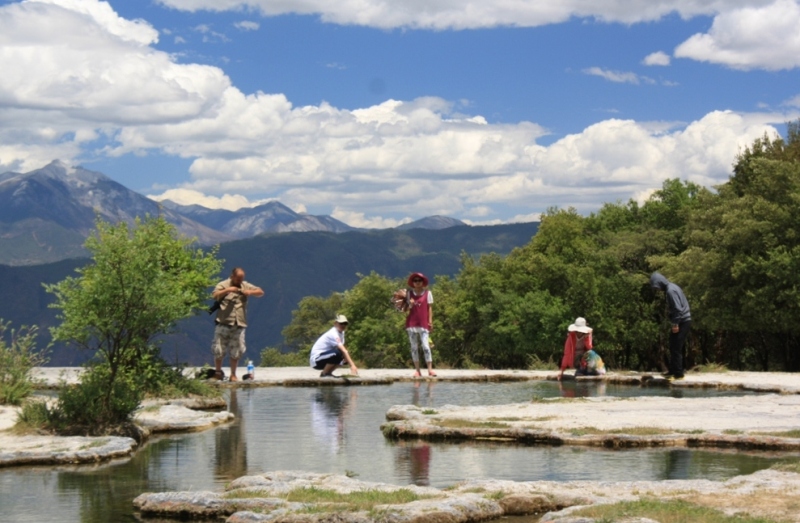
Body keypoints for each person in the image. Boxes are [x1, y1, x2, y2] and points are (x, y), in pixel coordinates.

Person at [211, 267, 264, 381]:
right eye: (238, 279)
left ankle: (233, 374)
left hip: (239, 323)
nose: (240, 281)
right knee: (218, 349)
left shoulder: (245, 285)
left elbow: (260, 292)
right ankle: (218, 372)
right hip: (223, 322)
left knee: (237, 350)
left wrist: (250, 292)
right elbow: (215, 295)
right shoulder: (223, 284)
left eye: (241, 279)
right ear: (232, 276)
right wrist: (228, 290)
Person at [650, 272, 691, 381]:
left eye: (656, 286)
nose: (657, 289)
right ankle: (673, 370)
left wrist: (675, 323)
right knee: (673, 345)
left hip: (682, 321)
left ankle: (678, 374)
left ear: (660, 283)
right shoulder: (673, 286)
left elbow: (677, 308)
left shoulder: (670, 291)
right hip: (682, 320)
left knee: (676, 347)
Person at [405, 272, 436, 378]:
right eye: (415, 281)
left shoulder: (428, 293)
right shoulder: (409, 294)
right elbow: (406, 309)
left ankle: (430, 370)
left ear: (423, 282)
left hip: (423, 323)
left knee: (426, 346)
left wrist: (430, 321)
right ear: (413, 283)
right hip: (412, 323)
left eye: (419, 281)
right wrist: (411, 304)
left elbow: (430, 308)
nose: (417, 283)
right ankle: (417, 370)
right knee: (414, 347)